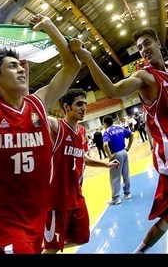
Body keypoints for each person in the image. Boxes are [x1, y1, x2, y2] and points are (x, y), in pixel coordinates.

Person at [0, 12, 80, 254]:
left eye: (21, 65)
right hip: (2, 224)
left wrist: (50, 26)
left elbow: (73, 65)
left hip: (35, 215)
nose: (21, 70)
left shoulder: (38, 104)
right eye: (12, 66)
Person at [70, 28, 168, 253]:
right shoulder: (145, 77)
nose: (143, 50)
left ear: (158, 43)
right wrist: (87, 58)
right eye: (140, 47)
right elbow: (112, 90)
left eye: (146, 43)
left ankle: (140, 249)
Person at [42, 88, 120, 254]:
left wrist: (105, 164)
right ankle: (46, 246)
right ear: (66, 108)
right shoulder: (57, 126)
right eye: (79, 104)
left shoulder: (82, 132)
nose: (84, 107)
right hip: (57, 200)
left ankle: (47, 244)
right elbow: (40, 118)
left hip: (76, 196)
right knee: (52, 249)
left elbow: (82, 158)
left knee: (83, 237)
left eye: (85, 104)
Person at [101, 115, 134, 205]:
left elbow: (105, 145)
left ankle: (115, 198)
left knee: (115, 177)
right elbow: (131, 134)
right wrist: (128, 147)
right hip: (124, 152)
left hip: (116, 155)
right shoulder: (120, 128)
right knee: (126, 174)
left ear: (105, 124)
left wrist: (110, 157)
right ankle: (127, 193)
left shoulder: (106, 131)